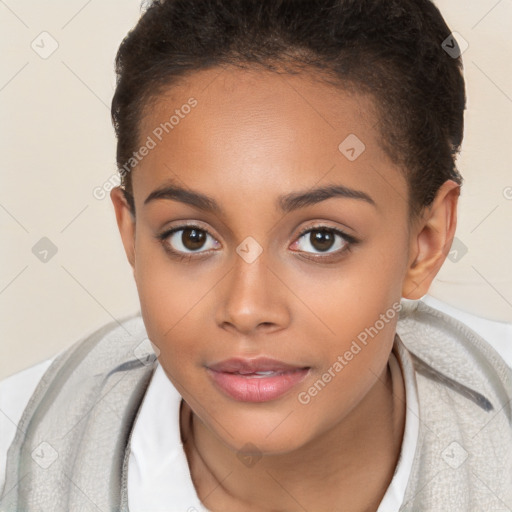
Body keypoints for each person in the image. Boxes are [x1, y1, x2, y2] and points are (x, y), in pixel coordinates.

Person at [1, 0, 511, 510]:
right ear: (130, 233)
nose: (246, 309)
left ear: (426, 242)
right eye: (192, 238)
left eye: (321, 239)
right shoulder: (17, 453)